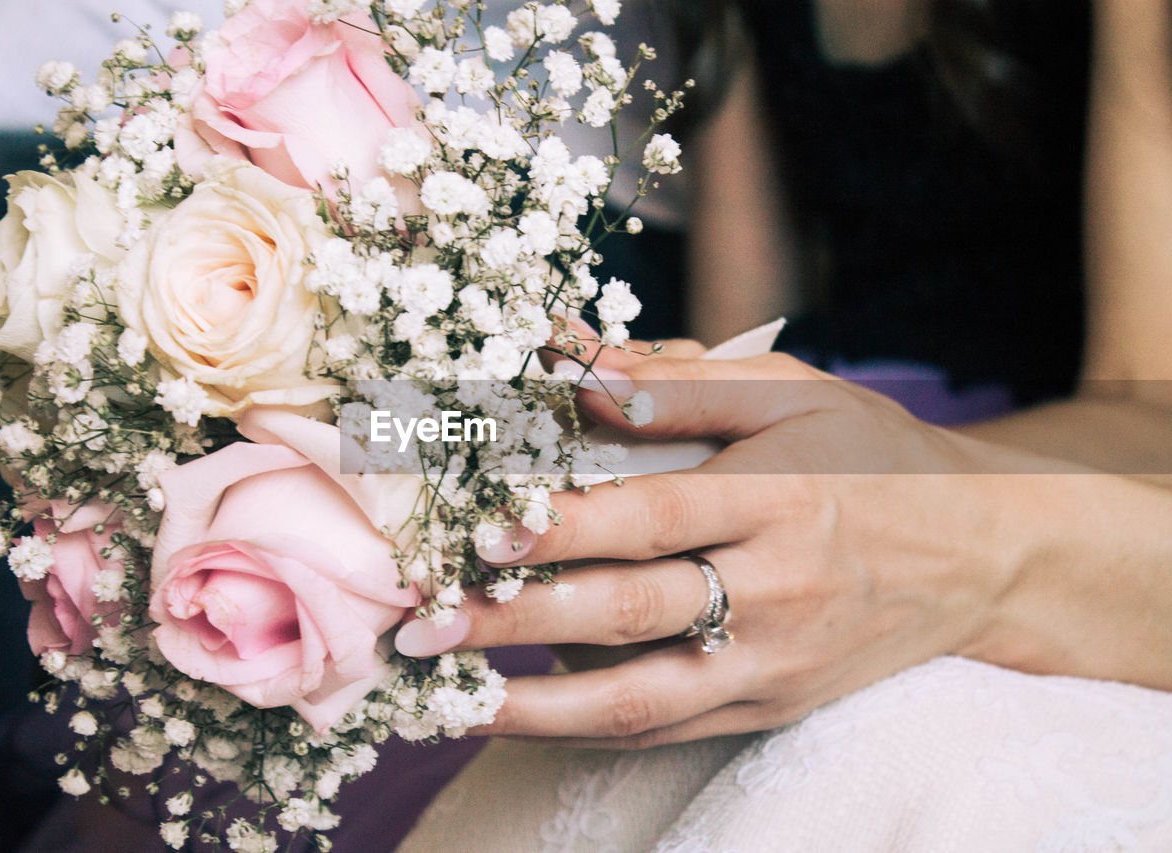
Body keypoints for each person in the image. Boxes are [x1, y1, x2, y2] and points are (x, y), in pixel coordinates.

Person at [396, 0, 1172, 849]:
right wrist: (689, 432)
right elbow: (745, 332)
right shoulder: (743, 17)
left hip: (1019, 448)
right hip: (809, 402)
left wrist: (854, 477)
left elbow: (1149, 408)